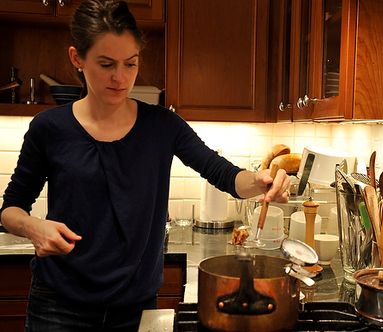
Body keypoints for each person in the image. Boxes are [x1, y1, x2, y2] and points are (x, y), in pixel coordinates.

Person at [0, 1, 291, 331]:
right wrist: (34, 227)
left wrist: (260, 181)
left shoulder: (162, 126)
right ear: (76, 58)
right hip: (58, 307)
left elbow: (221, 173)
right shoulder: (49, 128)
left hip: (135, 307)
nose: (120, 78)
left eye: (131, 64)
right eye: (106, 64)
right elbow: (10, 210)